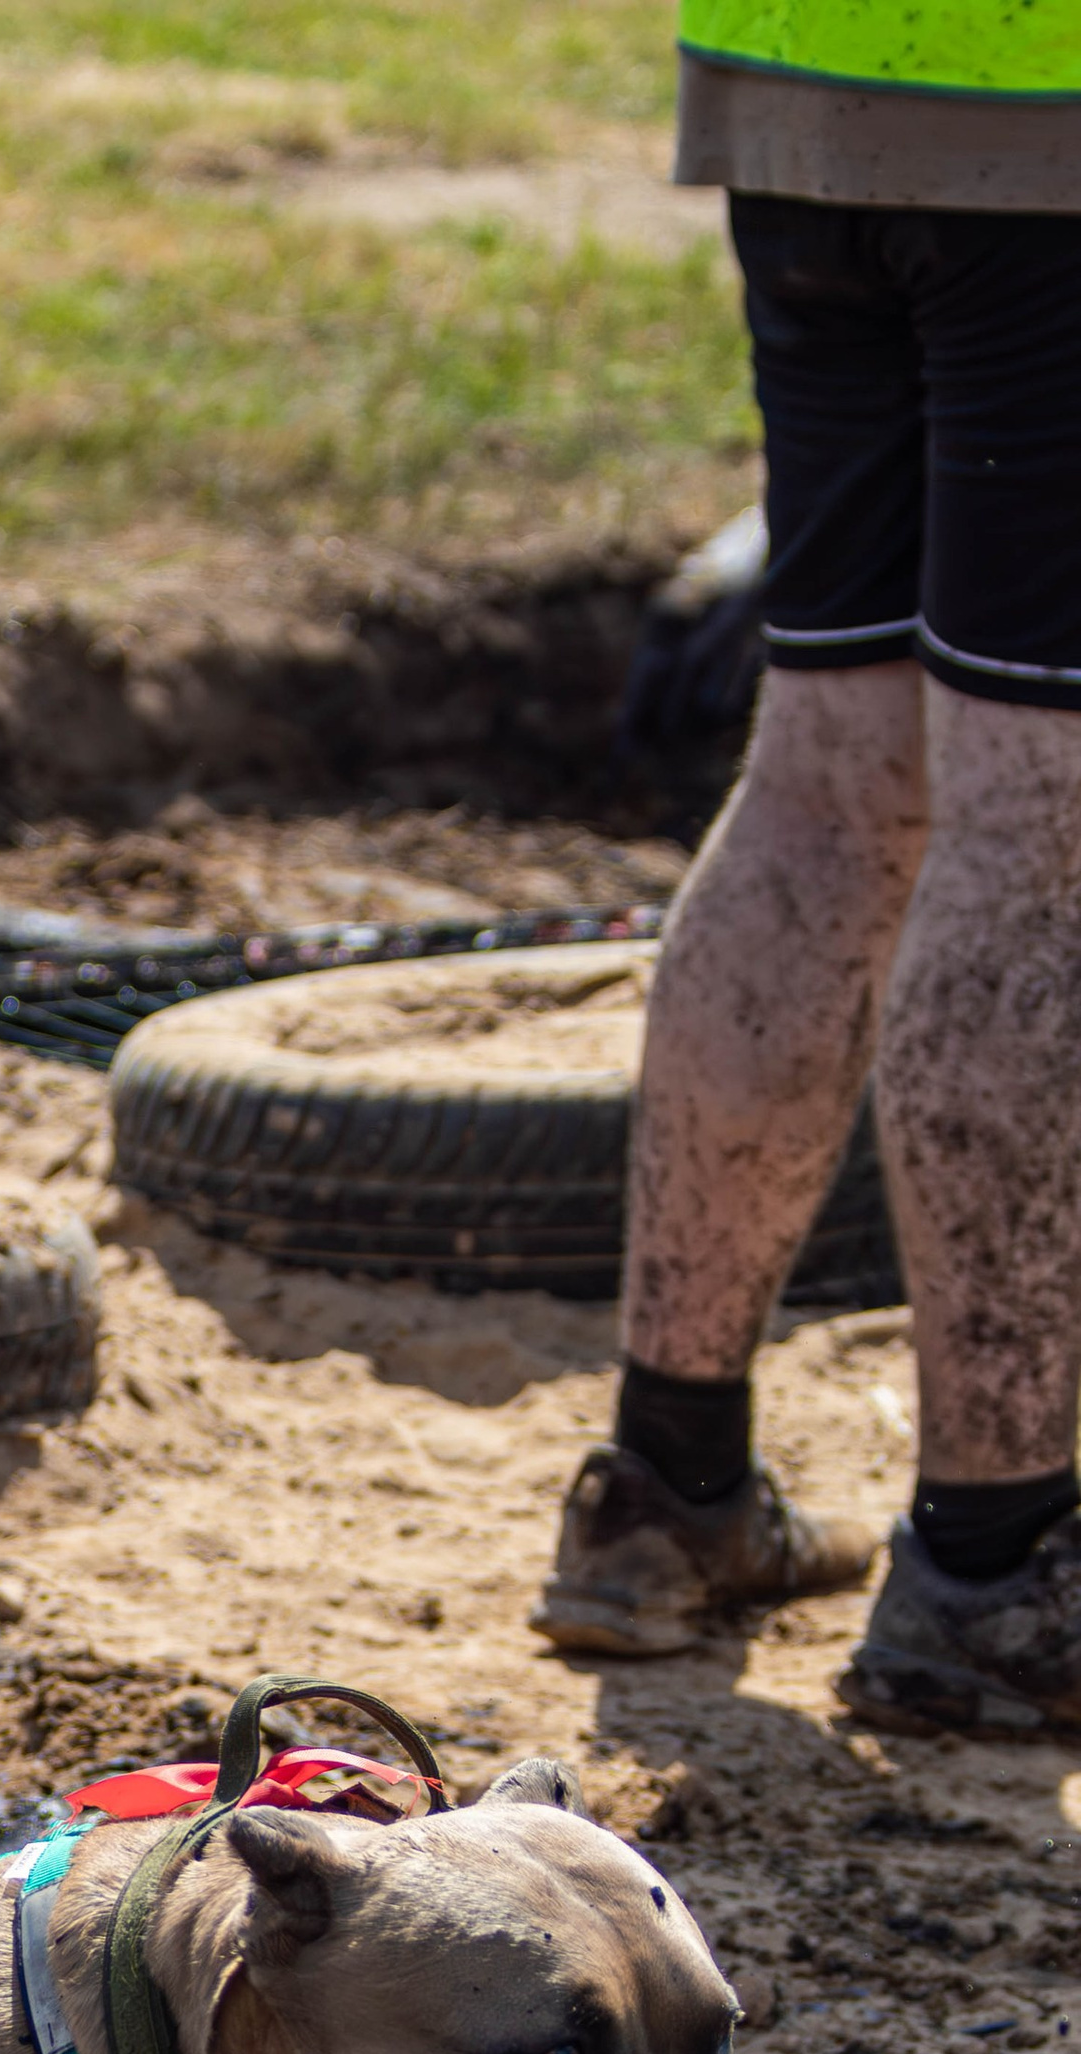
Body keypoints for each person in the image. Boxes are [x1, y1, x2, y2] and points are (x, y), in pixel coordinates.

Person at [533, 0, 1081, 1733]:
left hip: (803, 81)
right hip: (1047, 117)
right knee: (1036, 812)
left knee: (833, 763)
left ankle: (668, 1483)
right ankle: (998, 1565)